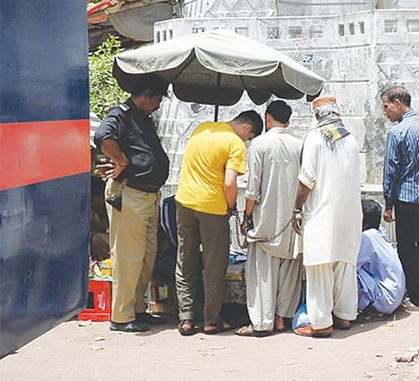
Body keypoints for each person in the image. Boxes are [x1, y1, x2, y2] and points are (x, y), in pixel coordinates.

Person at [93, 75, 171, 333]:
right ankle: (122, 316)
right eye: (157, 100)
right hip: (130, 194)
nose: (158, 105)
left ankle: (138, 308)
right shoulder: (122, 114)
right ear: (146, 94)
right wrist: (121, 160)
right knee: (129, 257)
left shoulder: (143, 119)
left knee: (146, 257)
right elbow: (103, 136)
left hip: (149, 196)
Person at [175, 110, 262, 336]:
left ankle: (186, 318)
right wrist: (231, 206)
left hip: (184, 202)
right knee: (214, 266)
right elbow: (230, 182)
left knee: (186, 260)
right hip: (213, 208)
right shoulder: (235, 143)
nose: (246, 142)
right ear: (247, 129)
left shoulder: (201, 127)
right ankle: (211, 321)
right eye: (249, 138)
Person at [293, 96, 362, 338]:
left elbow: (306, 179)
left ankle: (321, 323)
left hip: (322, 215)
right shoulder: (351, 139)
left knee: (319, 268)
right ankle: (344, 316)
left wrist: (296, 209)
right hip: (350, 215)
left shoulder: (315, 138)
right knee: (344, 265)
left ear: (316, 115)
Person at [236, 101, 303, 337]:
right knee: (289, 272)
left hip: (265, 221)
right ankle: (282, 318)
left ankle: (262, 323)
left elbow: (252, 189)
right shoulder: (300, 145)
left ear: (267, 118)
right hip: (292, 221)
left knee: (262, 273)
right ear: (289, 120)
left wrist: (246, 216)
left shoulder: (259, 144)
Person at [380, 85, 419, 310]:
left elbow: (391, 170)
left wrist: (388, 204)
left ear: (398, 103)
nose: (385, 112)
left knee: (407, 247)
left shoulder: (398, 133)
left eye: (386, 107)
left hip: (406, 197)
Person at [356, 199, 405, 317]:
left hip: (386, 299)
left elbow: (353, 264)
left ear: (364, 223)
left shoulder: (367, 237)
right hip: (396, 294)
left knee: (347, 270)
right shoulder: (379, 233)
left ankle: (349, 310)